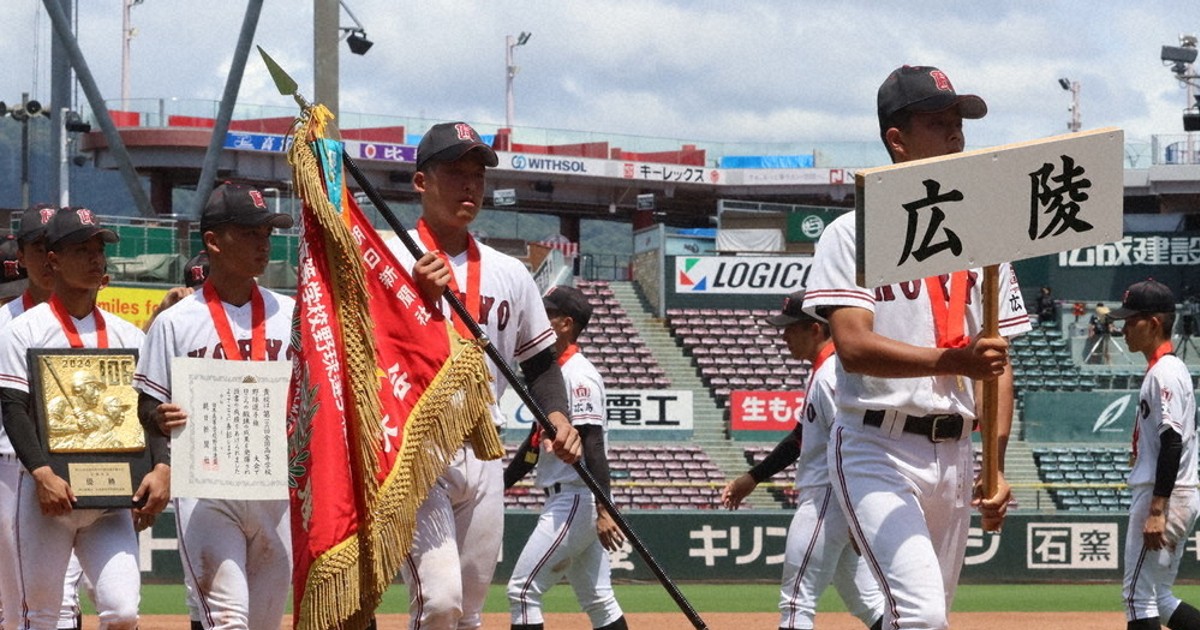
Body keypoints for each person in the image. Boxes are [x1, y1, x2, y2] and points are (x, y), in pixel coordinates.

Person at [802, 65, 1031, 629]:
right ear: (897, 141)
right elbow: (852, 346)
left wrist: (994, 465)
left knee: (918, 618)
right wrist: (955, 361)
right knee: (924, 617)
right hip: (876, 443)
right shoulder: (852, 232)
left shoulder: (986, 238)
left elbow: (997, 364)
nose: (955, 134)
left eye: (958, 122)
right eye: (937, 122)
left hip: (956, 453)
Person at [385, 121, 581, 630]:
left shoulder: (508, 272)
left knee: (469, 612)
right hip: (414, 447)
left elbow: (539, 363)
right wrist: (411, 298)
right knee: (439, 600)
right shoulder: (386, 258)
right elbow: (359, 349)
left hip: (484, 445)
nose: (470, 185)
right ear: (421, 182)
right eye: (455, 173)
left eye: (478, 175)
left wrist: (557, 415)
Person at [132, 183, 296, 630]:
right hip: (207, 489)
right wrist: (159, 418)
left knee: (265, 624)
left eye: (267, 231)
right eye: (248, 232)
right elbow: (147, 404)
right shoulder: (175, 322)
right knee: (226, 620)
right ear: (213, 241)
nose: (263, 242)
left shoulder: (293, 313)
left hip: (276, 489)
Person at [0, 206, 170, 630]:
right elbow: (13, 407)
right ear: (52, 260)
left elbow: (147, 411)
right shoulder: (23, 329)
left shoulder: (128, 334)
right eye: (82, 249)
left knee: (123, 610)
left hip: (109, 498)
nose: (96, 258)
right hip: (47, 498)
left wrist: (161, 466)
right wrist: (40, 474)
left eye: (99, 248)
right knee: (39, 614)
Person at [720, 291, 883, 630]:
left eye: (790, 328)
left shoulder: (830, 377)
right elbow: (799, 437)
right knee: (868, 603)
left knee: (796, 602)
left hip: (828, 496)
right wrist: (754, 476)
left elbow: (853, 444)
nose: (784, 336)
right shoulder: (827, 372)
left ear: (815, 329)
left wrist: (857, 512)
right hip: (838, 499)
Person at [503, 285, 627, 630]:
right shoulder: (552, 376)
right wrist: (496, 486)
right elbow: (531, 450)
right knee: (599, 600)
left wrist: (604, 510)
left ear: (565, 324)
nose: (538, 318)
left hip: (577, 496)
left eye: (547, 313)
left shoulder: (578, 374)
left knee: (522, 591)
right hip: (574, 497)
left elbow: (594, 445)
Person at [0, 204, 91, 630]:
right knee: (18, 596)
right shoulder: (6, 322)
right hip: (7, 463)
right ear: (23, 256)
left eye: (55, 244)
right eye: (38, 246)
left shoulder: (91, 323)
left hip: (70, 464)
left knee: (65, 593)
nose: (47, 254)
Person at [1108, 279, 1200, 630]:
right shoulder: (1169, 370)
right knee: (1159, 598)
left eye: (1132, 320)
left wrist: (1157, 509)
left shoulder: (1164, 373)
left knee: (1137, 597)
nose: (1124, 327)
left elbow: (1172, 441)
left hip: (1164, 494)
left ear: (1155, 323)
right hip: (1180, 491)